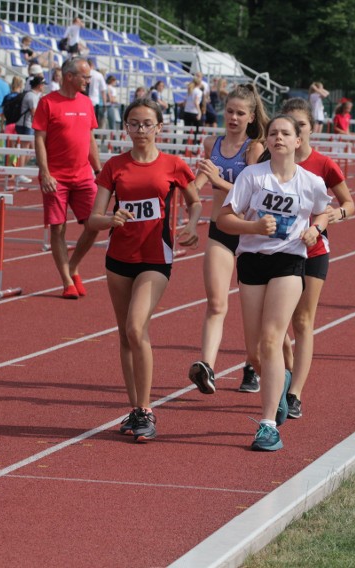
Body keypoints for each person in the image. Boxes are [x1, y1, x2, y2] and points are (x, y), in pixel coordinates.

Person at [88, 97, 201, 443]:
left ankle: (148, 409)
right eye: (133, 124)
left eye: (146, 124)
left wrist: (192, 225)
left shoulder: (173, 165)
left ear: (159, 128)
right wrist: (112, 219)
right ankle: (135, 408)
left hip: (156, 257)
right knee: (125, 334)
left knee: (137, 327)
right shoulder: (114, 166)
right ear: (126, 127)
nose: (140, 130)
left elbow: (195, 201)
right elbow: (94, 218)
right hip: (119, 258)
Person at [217, 114, 331, 452]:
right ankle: (279, 378)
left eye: (285, 133)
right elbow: (224, 219)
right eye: (273, 133)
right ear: (267, 141)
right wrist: (253, 228)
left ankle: (267, 425)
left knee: (271, 339)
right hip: (252, 261)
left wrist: (316, 229)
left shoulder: (310, 182)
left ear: (298, 141)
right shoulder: (252, 177)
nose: (278, 137)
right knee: (255, 353)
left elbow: (324, 211)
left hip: (290, 261)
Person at [186, 83, 268, 396]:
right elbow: (197, 189)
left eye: (240, 113)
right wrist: (191, 221)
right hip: (219, 228)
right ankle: (206, 367)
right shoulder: (212, 142)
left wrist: (218, 179)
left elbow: (252, 196)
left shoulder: (255, 148)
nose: (233, 117)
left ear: (250, 117)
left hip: (249, 233)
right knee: (216, 302)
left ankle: (253, 364)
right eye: (229, 111)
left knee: (255, 310)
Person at [278, 97, 355, 420]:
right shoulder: (273, 160)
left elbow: (349, 203)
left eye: (301, 126)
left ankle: (294, 392)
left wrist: (329, 217)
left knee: (302, 321)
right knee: (277, 327)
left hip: (313, 251)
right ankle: (285, 374)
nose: (295, 132)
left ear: (311, 129)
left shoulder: (323, 165)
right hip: (278, 251)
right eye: (289, 125)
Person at [33, 57, 102, 299]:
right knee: (58, 228)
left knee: (95, 223)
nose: (88, 81)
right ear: (69, 76)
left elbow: (90, 138)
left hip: (83, 174)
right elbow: (39, 139)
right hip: (56, 177)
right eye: (85, 77)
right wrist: (44, 172)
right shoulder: (47, 103)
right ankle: (66, 280)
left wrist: (98, 170)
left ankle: (73, 266)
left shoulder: (86, 102)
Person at [87, 58, 106, 128]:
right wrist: (104, 104)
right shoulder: (98, 75)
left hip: (85, 100)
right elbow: (103, 90)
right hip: (95, 101)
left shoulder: (83, 74)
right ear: (93, 65)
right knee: (96, 122)